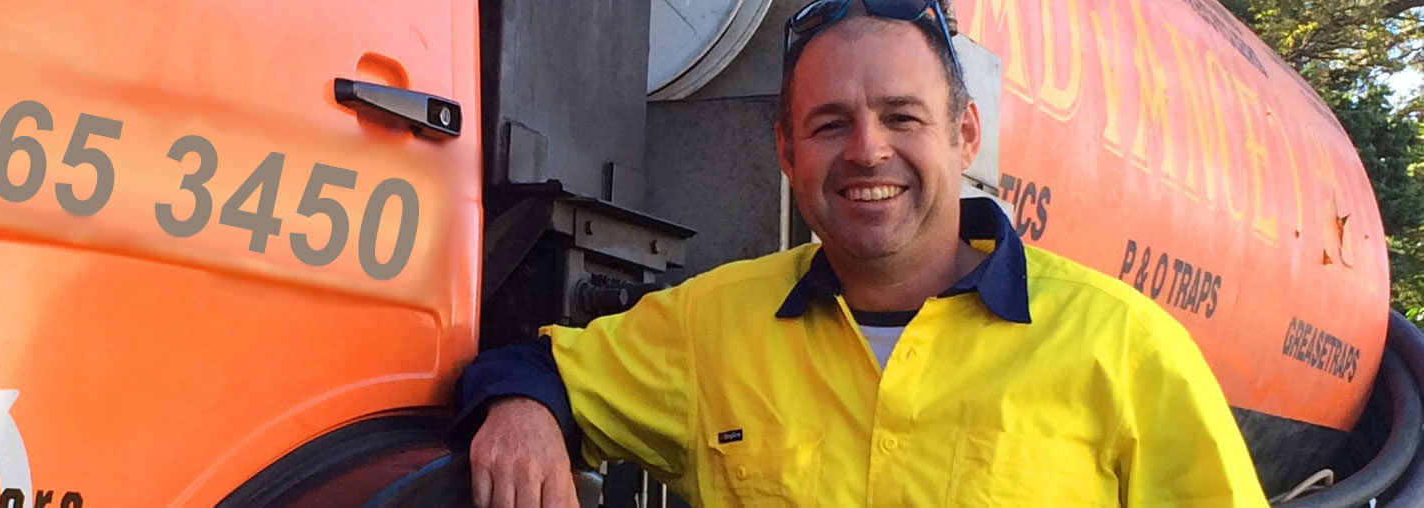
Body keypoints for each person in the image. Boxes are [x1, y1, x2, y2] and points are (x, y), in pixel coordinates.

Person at [447, 0, 1270, 506]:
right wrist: (520, 415)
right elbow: (533, 367)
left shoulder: (1123, 346)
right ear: (786, 150)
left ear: (964, 134)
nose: (867, 151)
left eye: (902, 117)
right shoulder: (709, 327)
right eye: (830, 123)